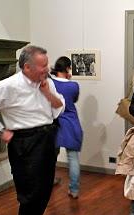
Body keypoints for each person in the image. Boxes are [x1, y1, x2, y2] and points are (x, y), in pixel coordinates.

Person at [0, 45, 65, 215]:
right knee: (29, 196)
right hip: (25, 143)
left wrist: (47, 92)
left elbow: (59, 107)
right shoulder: (7, 86)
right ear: (27, 67)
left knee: (45, 190)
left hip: (48, 139)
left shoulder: (48, 81)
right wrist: (1, 131)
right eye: (43, 65)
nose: (47, 69)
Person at [50, 56, 83, 199]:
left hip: (54, 122)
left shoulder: (49, 83)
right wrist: (69, 80)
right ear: (68, 68)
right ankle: (74, 190)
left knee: (51, 156)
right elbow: (74, 99)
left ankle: (49, 181)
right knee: (73, 158)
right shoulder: (73, 85)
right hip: (70, 122)